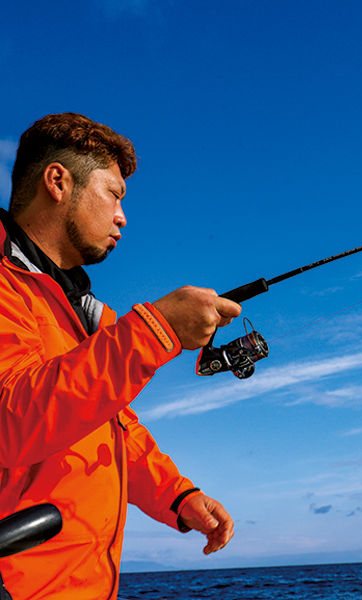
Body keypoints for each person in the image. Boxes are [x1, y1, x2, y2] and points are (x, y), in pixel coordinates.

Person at [0, 113, 241, 599]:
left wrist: (178, 496)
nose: (122, 216)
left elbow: (110, 426)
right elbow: (11, 419)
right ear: (58, 181)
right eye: (114, 194)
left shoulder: (76, 310)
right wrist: (158, 328)